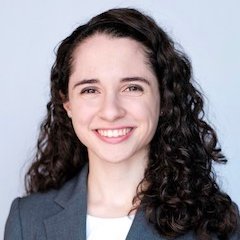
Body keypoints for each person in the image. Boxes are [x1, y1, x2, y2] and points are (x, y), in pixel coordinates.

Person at [4, 8, 240, 240]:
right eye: (90, 90)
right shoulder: (26, 219)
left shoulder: (214, 225)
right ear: (67, 104)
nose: (111, 111)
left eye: (132, 87)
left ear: (163, 97)